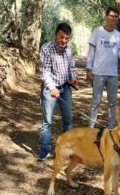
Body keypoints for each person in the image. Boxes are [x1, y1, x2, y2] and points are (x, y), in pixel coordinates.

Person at [38, 22, 78, 160]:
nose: (64, 41)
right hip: (50, 89)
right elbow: (44, 71)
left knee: (68, 120)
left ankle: (67, 149)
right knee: (47, 121)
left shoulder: (68, 49)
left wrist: (74, 78)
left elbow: (71, 67)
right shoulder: (46, 48)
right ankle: (45, 150)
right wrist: (52, 87)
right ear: (55, 35)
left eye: (67, 38)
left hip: (65, 88)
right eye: (61, 37)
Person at [86, 7, 120, 129]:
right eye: (111, 16)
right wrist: (89, 69)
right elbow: (91, 52)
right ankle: (91, 126)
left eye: (116, 16)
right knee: (96, 101)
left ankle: (111, 127)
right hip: (98, 72)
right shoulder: (97, 31)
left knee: (113, 102)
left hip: (113, 73)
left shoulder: (119, 35)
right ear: (106, 17)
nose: (113, 18)